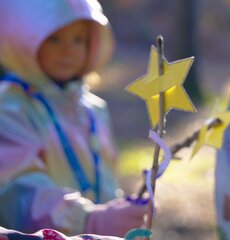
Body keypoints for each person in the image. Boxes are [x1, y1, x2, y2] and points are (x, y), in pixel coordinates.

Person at [0, 0, 148, 237]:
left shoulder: (93, 108)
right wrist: (86, 220)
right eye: (54, 38)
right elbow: (18, 189)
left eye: (78, 40)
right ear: (24, 36)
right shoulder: (9, 105)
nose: (68, 50)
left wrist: (119, 213)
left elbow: (106, 176)